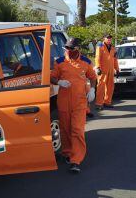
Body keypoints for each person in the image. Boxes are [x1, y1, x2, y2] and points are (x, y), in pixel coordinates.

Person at [50, 38, 97, 174]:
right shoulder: (60, 62)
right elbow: (51, 77)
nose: (68, 51)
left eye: (71, 48)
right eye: (67, 48)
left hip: (79, 102)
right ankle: (67, 153)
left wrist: (92, 90)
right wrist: (59, 82)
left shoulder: (86, 62)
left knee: (77, 130)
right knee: (65, 129)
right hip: (64, 101)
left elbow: (93, 77)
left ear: (78, 49)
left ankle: (76, 160)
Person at [95, 34, 119, 110]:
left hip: (111, 70)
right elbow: (97, 57)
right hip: (102, 70)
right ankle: (99, 104)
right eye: (107, 38)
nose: (109, 40)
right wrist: (98, 67)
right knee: (101, 87)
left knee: (110, 87)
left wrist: (117, 69)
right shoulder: (100, 46)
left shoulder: (113, 48)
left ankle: (107, 102)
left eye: (110, 39)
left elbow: (115, 59)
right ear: (104, 39)